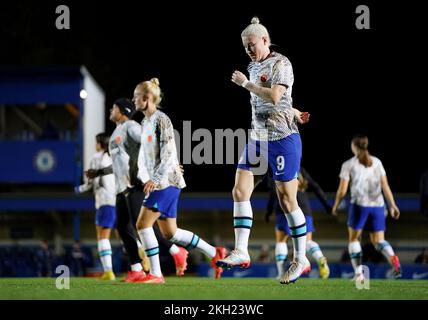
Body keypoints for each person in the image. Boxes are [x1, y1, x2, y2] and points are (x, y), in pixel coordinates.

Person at [216, 17, 310, 284]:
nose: (248, 49)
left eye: (252, 44)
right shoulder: (252, 65)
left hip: (283, 139)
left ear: (265, 40)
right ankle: (241, 250)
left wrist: (246, 84)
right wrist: (294, 111)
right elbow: (280, 104)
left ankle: (301, 257)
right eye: (245, 46)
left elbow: (275, 96)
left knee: (287, 200)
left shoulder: (281, 63)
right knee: (239, 190)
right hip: (257, 139)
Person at [133, 78, 227, 284]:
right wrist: (147, 177)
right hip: (162, 181)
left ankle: (156, 274)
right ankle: (214, 252)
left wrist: (155, 179)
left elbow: (168, 151)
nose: (133, 100)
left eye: (136, 97)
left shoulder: (161, 119)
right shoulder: (145, 122)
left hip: (166, 182)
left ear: (147, 98)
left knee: (142, 225)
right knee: (170, 233)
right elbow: (148, 156)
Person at [86, 98, 188, 282]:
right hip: (121, 187)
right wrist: (99, 172)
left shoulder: (131, 126)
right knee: (123, 227)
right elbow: (119, 164)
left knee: (141, 226)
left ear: (122, 111)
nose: (111, 109)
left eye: (114, 107)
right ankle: (136, 269)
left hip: (136, 184)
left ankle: (176, 251)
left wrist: (170, 164)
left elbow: (149, 145)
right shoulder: (117, 131)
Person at [332, 134, 402, 280]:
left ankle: (359, 274)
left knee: (354, 240)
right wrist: (393, 205)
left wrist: (336, 205)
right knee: (379, 241)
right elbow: (385, 186)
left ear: (354, 147)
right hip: (378, 206)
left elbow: (342, 190)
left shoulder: (349, 164)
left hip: (360, 206)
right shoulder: (377, 162)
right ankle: (393, 258)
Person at [265, 168, 331, 279]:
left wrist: (268, 211)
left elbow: (273, 191)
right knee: (307, 241)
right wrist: (327, 205)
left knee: (281, 241)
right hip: (304, 206)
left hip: (284, 207)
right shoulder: (298, 167)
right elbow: (315, 186)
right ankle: (320, 257)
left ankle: (281, 273)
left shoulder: (275, 164)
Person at [75, 133, 117, 280]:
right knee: (124, 235)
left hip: (104, 201)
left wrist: (80, 189)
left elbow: (90, 181)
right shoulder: (113, 156)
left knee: (102, 237)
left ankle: (108, 271)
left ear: (99, 143)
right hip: (118, 199)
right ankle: (140, 263)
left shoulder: (96, 157)